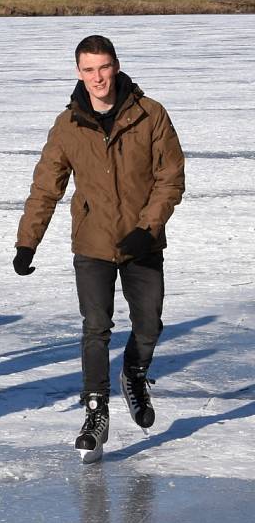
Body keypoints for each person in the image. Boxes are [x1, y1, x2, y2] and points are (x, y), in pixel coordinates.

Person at [13, 35, 185, 462]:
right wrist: (26, 241)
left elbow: (171, 177)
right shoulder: (68, 125)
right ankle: (95, 412)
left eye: (103, 67)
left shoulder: (150, 115)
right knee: (96, 327)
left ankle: (134, 372)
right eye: (88, 70)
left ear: (116, 66)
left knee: (149, 325)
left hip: (141, 243)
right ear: (78, 72)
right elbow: (45, 188)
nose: (97, 78)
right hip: (92, 243)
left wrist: (148, 229)